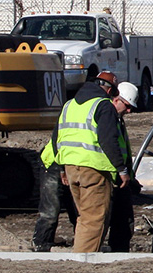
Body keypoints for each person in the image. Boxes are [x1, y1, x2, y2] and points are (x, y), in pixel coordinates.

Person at [55, 70, 130, 252]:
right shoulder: (103, 106)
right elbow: (108, 140)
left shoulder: (69, 105)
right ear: (110, 91)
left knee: (84, 217)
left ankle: (80, 255)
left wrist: (62, 169)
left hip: (71, 168)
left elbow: (56, 138)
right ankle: (83, 263)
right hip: (94, 169)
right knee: (94, 219)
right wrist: (122, 169)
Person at [107, 81, 139, 253]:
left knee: (125, 222)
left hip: (120, 177)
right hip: (112, 177)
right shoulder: (107, 119)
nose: (129, 111)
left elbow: (123, 150)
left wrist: (130, 176)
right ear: (116, 100)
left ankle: (119, 251)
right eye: (127, 106)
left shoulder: (118, 121)